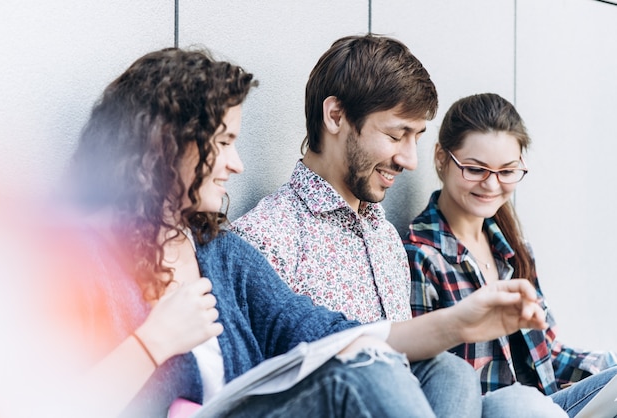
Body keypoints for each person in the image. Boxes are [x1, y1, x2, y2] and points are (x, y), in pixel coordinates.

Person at [25, 47, 554, 418]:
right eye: (224, 141)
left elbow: (326, 332)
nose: (236, 163)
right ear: (165, 144)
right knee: (366, 374)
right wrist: (151, 343)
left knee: (439, 371)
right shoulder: (86, 259)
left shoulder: (221, 254)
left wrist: (459, 322)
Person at [231, 34, 565, 417]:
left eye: (416, 138)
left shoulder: (385, 237)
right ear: (335, 116)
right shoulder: (267, 237)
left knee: (509, 399)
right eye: (395, 135)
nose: (410, 160)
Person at [404, 92, 617, 417]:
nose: (491, 185)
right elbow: (429, 378)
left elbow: (550, 355)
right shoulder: (421, 255)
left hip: (547, 407)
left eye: (507, 171)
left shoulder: (513, 249)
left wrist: (609, 368)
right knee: (521, 402)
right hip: (491, 409)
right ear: (441, 158)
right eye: (475, 169)